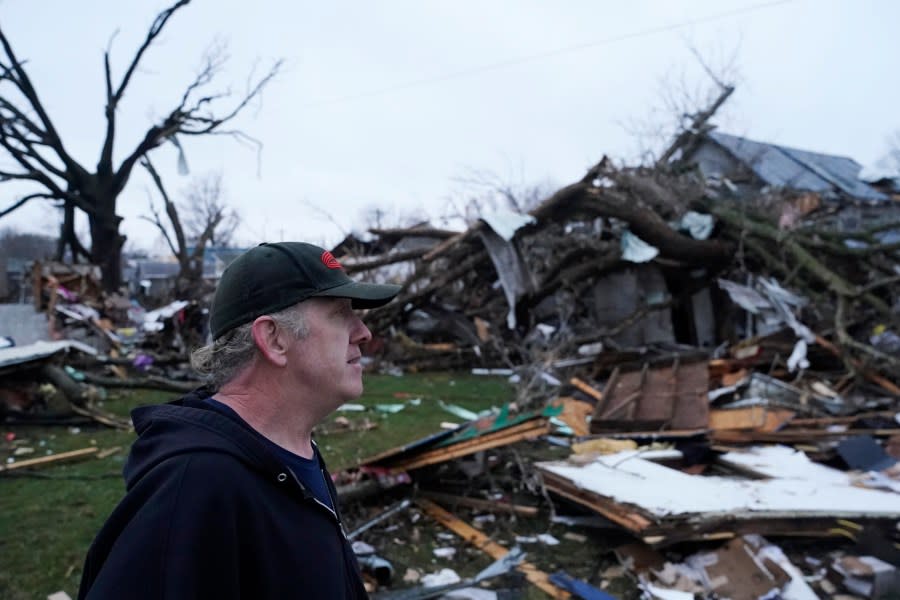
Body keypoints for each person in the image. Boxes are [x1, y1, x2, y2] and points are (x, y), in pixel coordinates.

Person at [78, 242, 400, 599]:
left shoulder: (290, 452)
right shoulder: (195, 486)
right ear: (274, 339)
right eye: (341, 314)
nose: (364, 332)